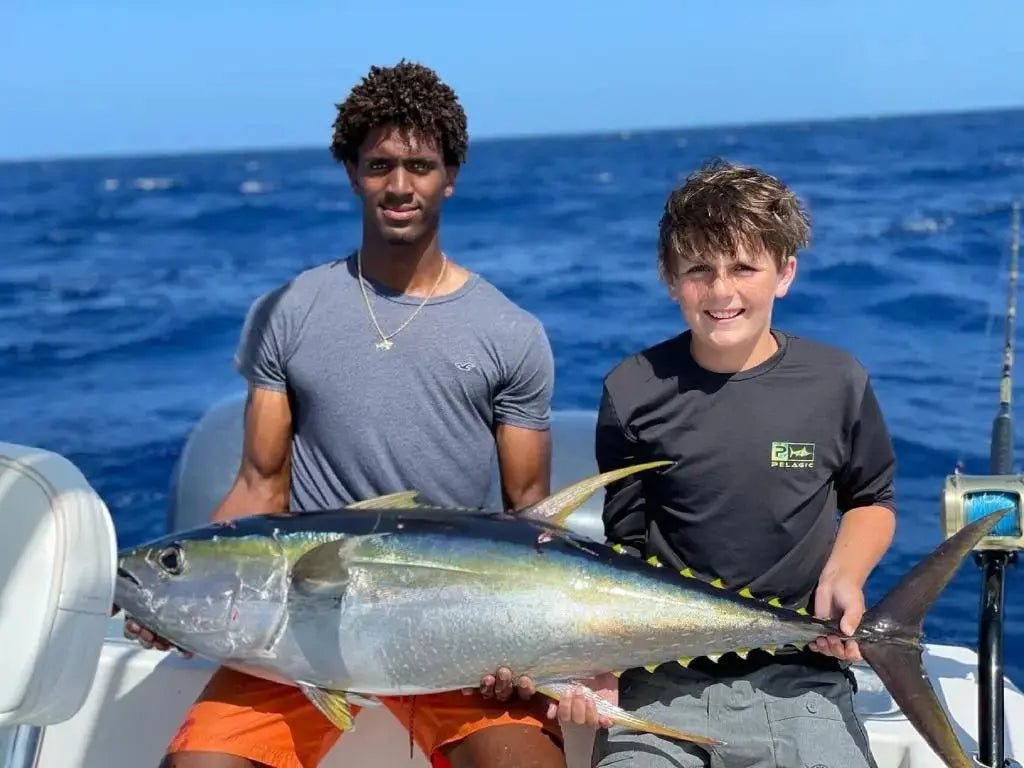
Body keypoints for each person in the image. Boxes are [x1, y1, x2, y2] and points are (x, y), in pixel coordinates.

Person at [124, 60, 569, 768]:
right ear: (352, 171)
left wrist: (524, 649)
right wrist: (184, 597)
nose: (399, 186)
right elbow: (260, 485)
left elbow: (529, 516)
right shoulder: (289, 311)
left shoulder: (510, 332)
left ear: (450, 175)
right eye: (380, 164)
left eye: (419, 166)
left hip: (448, 614)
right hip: (307, 624)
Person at [578, 159, 897, 767]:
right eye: (699, 269)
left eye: (745, 268)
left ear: (785, 274)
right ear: (670, 278)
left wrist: (844, 576)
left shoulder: (836, 381)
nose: (722, 291)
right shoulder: (632, 389)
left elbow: (870, 500)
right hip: (661, 689)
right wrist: (598, 668)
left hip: (804, 676)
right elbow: (624, 549)